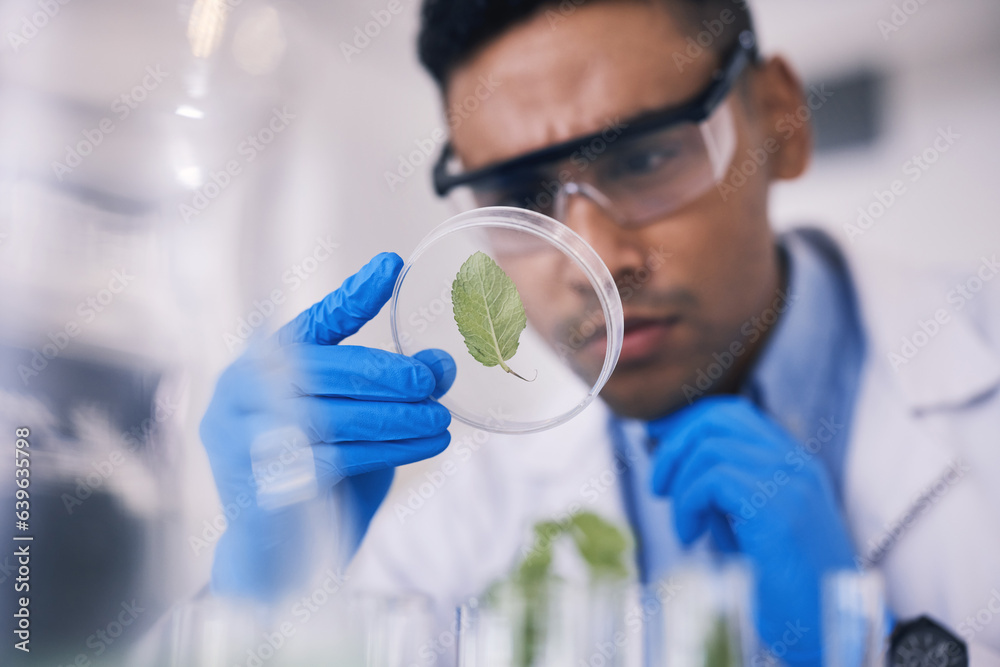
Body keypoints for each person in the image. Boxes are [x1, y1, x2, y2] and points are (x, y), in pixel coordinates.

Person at [198, 0, 1000, 663]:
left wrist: (867, 649)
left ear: (781, 120)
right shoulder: (462, 529)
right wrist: (259, 606)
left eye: (647, 157)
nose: (591, 263)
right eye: (520, 192)